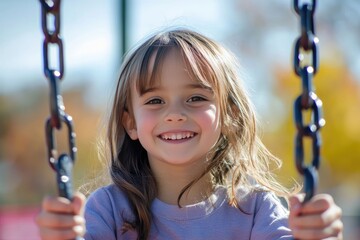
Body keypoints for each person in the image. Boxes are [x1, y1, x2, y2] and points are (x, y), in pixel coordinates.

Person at [36, 28, 343, 240]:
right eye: (155, 101)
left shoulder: (255, 209)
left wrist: (318, 233)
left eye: (196, 98)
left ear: (230, 115)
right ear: (130, 123)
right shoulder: (111, 211)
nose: (175, 113)